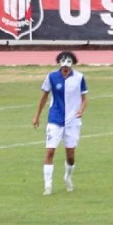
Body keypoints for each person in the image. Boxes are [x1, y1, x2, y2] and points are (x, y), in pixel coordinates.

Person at [32, 50, 88, 195]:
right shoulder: (51, 77)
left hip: (72, 121)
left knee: (70, 155)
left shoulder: (79, 78)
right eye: (63, 66)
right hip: (55, 119)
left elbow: (84, 98)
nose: (65, 69)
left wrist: (81, 109)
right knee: (50, 151)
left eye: (68, 66)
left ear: (72, 65)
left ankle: (68, 177)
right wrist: (37, 116)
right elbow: (44, 96)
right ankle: (48, 185)